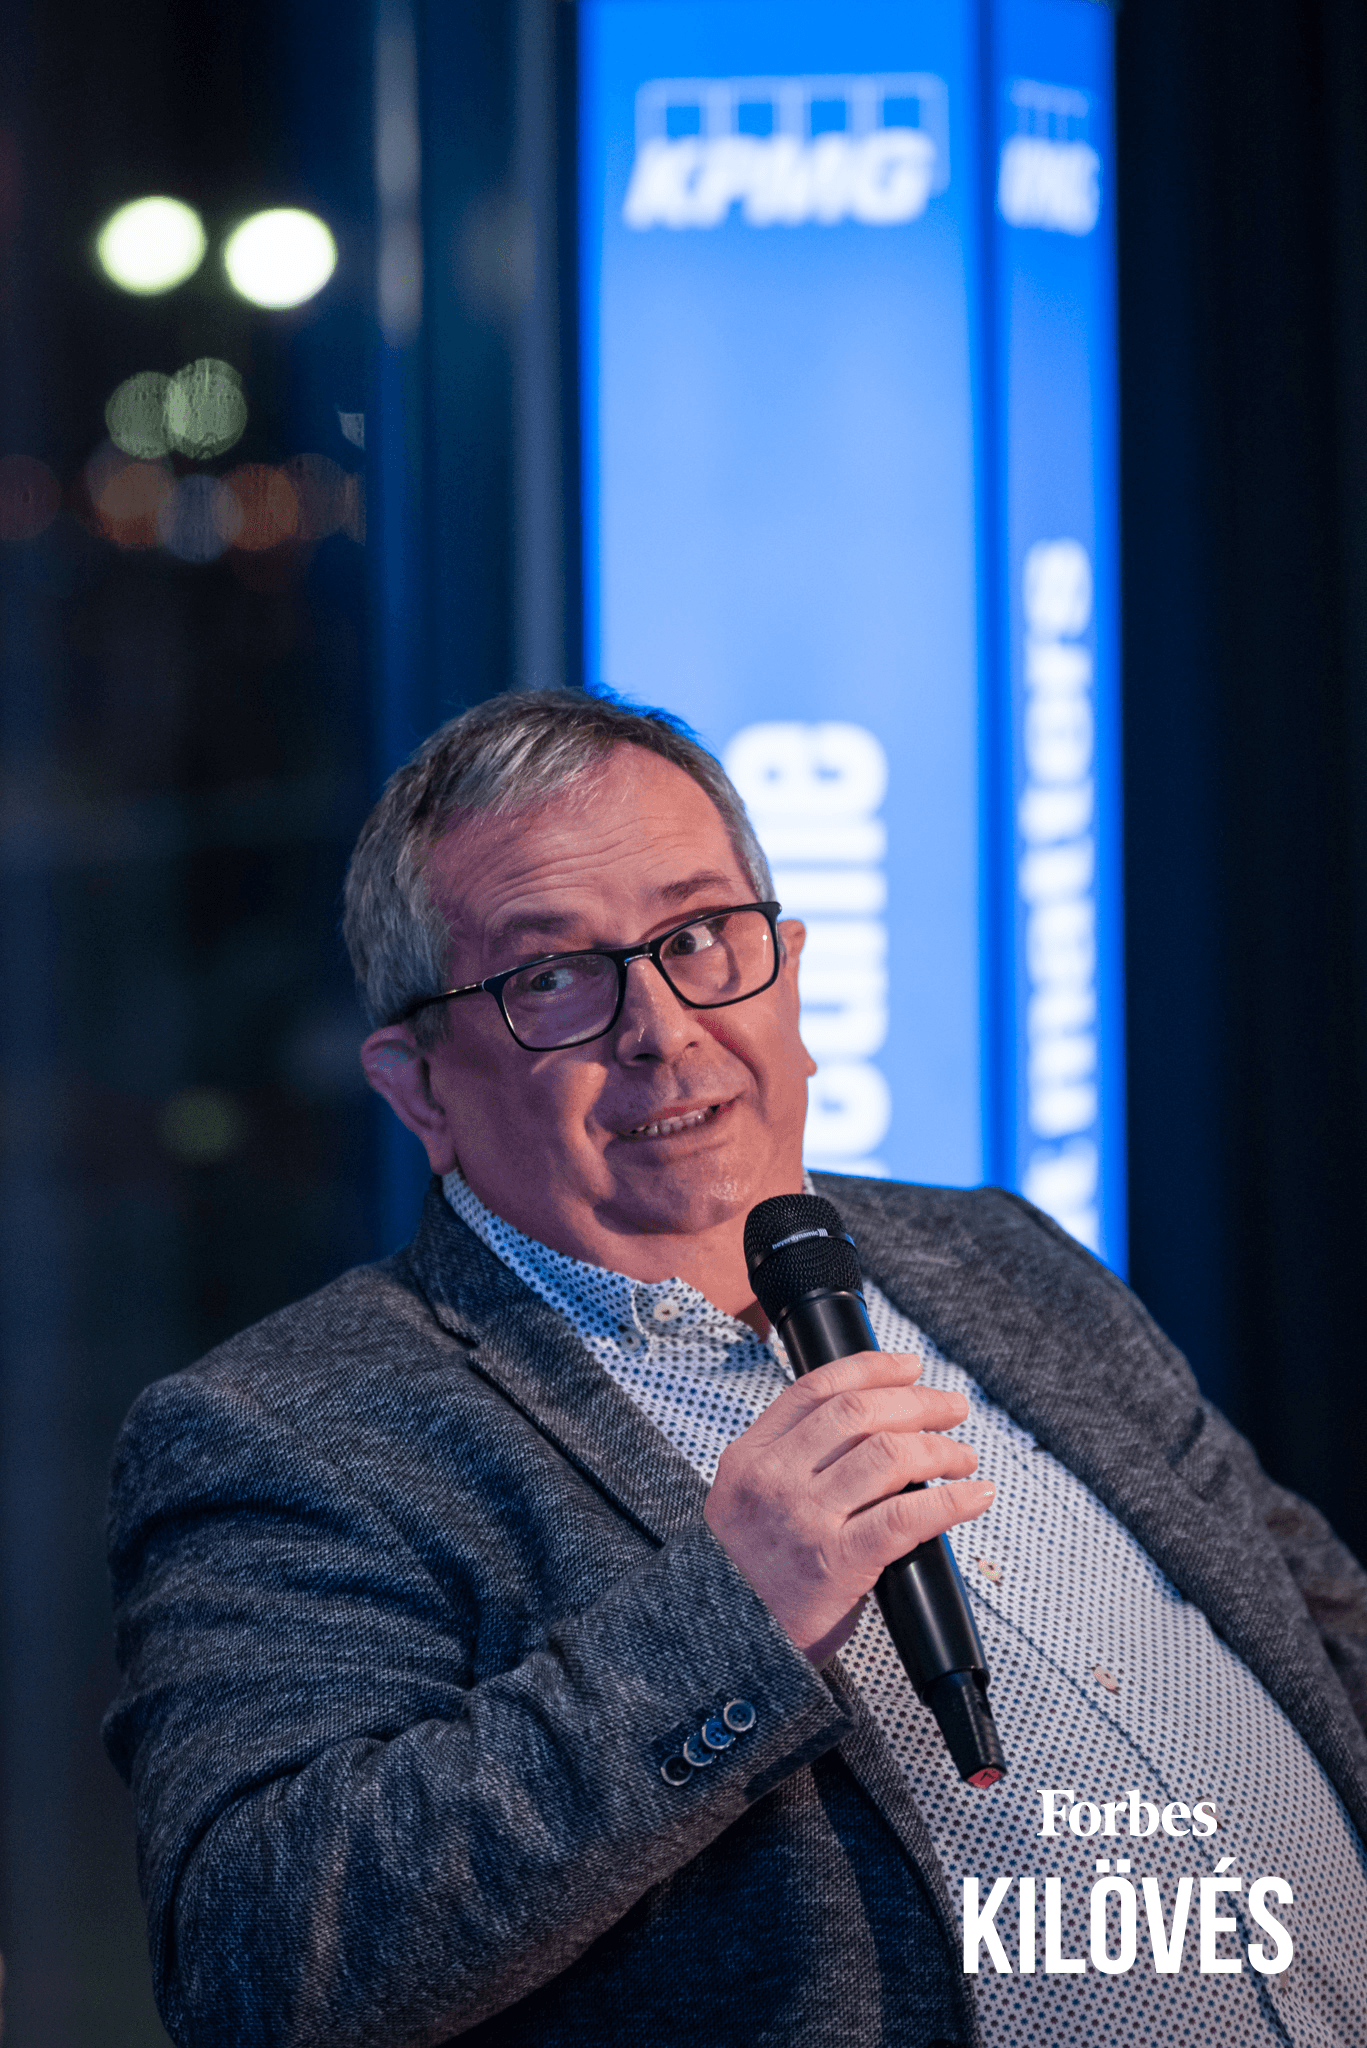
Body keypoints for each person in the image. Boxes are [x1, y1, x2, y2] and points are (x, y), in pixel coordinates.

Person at [105, 690, 1367, 2048]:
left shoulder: (995, 1253)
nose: (660, 1028)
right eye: (553, 976)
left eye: (698, 935)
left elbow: (1319, 1627)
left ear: (788, 964)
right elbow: (263, 1965)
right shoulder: (286, 1429)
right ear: (420, 1086)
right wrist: (732, 1615)